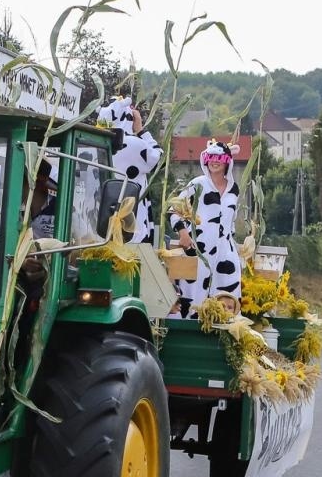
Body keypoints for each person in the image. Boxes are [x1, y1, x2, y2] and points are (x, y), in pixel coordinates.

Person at [169, 139, 243, 317]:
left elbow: (230, 221)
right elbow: (174, 209)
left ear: (227, 161)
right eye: (211, 157)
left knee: (227, 298)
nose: (214, 161)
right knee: (194, 299)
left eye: (219, 157)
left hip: (226, 254)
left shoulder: (234, 189)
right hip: (199, 251)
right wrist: (184, 233)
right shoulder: (197, 184)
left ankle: (224, 337)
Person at [96, 95, 163, 243]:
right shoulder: (133, 144)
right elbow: (159, 160)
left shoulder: (94, 142)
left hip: (98, 222)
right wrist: (141, 130)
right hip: (131, 225)